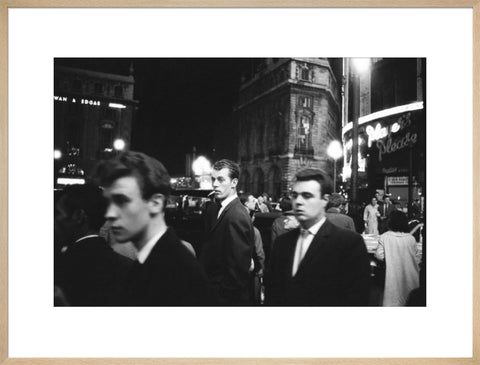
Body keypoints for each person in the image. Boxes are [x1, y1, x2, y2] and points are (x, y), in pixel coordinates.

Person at [96, 151, 211, 306]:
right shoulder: (154, 260)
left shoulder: (177, 271)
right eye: (109, 202)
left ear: (155, 203)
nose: (110, 213)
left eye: (121, 201)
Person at [265, 169, 371, 306]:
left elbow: (356, 301)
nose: (298, 201)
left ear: (325, 200)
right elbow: (273, 294)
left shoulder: (349, 244)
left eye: (307, 195)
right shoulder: (282, 243)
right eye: (294, 195)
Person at [54, 183, 133, 306]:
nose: (55, 220)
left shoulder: (61, 266)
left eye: (57, 213)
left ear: (79, 216)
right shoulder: (128, 267)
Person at [200, 159, 254, 305]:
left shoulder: (237, 215)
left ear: (234, 183)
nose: (215, 184)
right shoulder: (217, 208)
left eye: (221, 179)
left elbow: (237, 272)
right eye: (213, 179)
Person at [375, 210, 421, 306]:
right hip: (411, 276)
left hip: (392, 275)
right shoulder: (410, 238)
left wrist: (391, 259)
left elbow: (379, 255)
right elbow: (417, 258)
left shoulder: (384, 237)